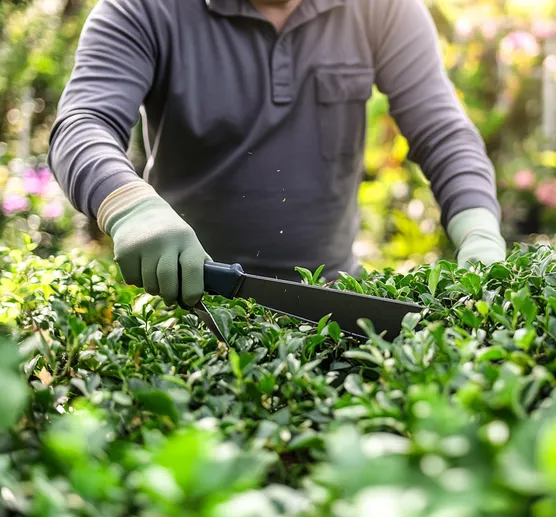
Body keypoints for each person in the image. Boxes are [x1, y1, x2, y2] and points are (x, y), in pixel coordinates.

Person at [48, 0, 506, 309]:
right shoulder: (143, 9)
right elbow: (82, 123)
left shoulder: (381, 8)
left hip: (331, 305)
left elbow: (443, 130)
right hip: (192, 305)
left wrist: (479, 230)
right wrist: (129, 206)